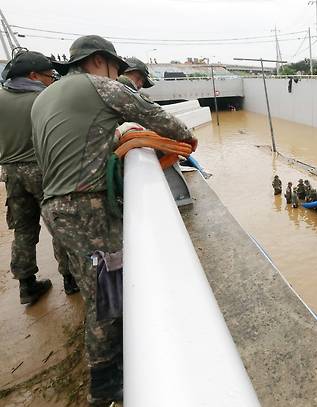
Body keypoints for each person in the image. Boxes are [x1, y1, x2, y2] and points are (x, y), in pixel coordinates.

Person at [31, 35, 197, 405]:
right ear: (99, 61)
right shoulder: (100, 86)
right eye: (114, 67)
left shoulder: (44, 97)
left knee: (96, 289)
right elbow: (156, 118)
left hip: (55, 207)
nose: (115, 73)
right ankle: (105, 383)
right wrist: (186, 138)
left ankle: (110, 371)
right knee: (106, 297)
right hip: (83, 208)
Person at [0, 50, 79, 304]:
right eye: (49, 75)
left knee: (23, 228)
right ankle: (70, 279)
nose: (51, 80)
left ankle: (26, 284)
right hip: (44, 170)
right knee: (59, 223)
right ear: (33, 75)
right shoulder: (44, 99)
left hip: (11, 173)